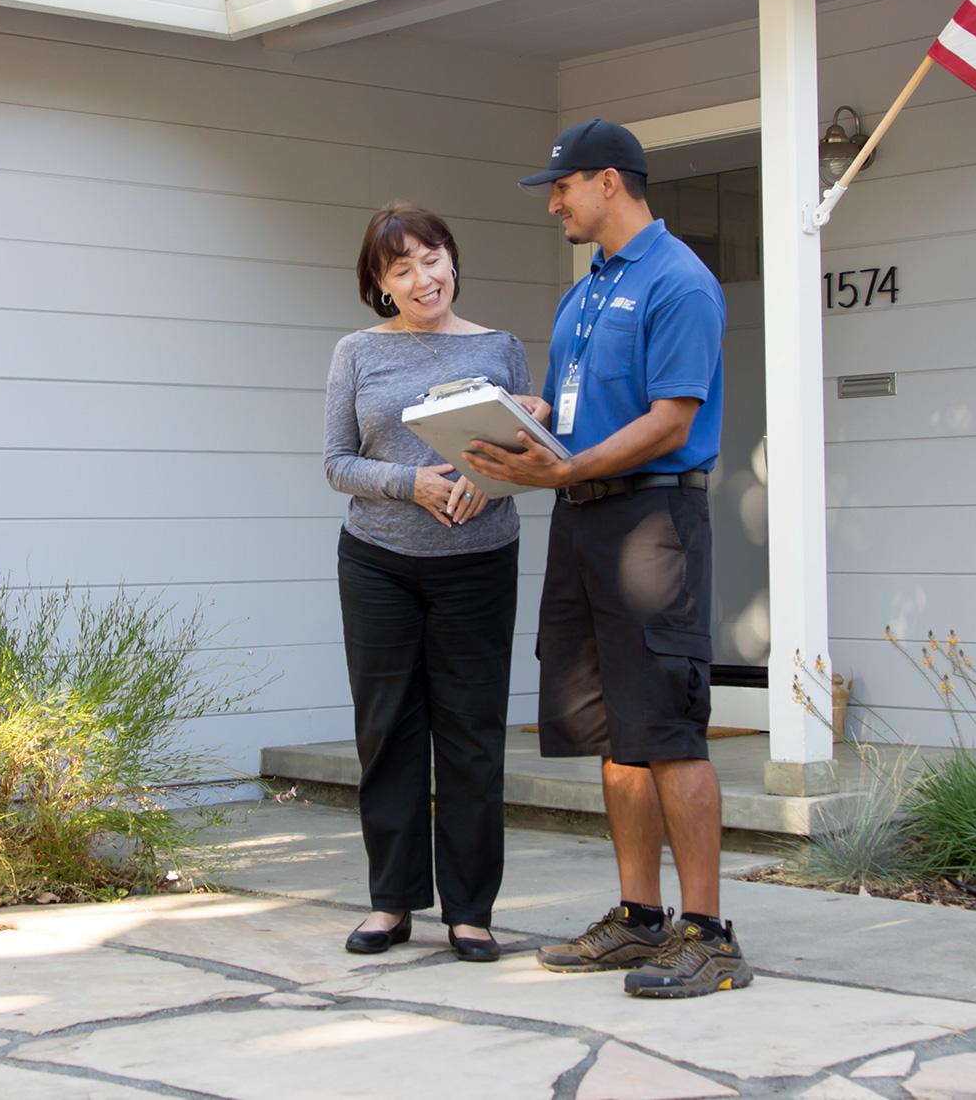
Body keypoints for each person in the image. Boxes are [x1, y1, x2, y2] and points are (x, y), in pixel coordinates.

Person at [466, 120, 753, 998]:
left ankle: (709, 936)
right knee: (613, 733)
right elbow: (587, 407)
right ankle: (640, 919)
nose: (553, 202)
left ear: (609, 183)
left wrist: (567, 464)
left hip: (652, 522)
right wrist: (525, 415)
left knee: (667, 729)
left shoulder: (681, 283)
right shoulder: (586, 289)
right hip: (582, 518)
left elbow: (670, 420)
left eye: (562, 187)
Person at [322, 202, 542, 963]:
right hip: (378, 562)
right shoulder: (356, 353)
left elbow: (531, 448)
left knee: (473, 738)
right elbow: (336, 463)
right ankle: (391, 902)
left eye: (432, 257)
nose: (423, 277)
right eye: (401, 266)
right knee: (388, 732)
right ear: (381, 283)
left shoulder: (501, 347)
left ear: (453, 258)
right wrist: (410, 484)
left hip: (480, 563)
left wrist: (491, 473)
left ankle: (472, 911)